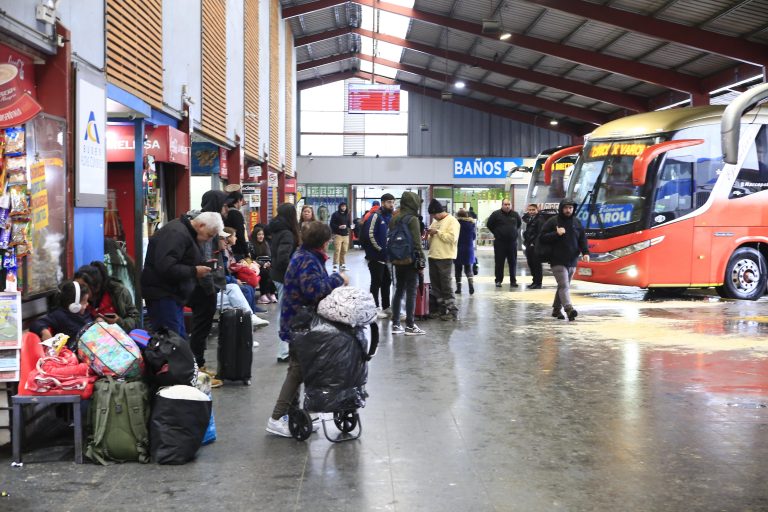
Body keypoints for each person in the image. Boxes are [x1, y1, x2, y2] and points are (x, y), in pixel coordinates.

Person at [265, 221, 348, 437]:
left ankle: (292, 414)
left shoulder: (305, 255)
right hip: (300, 323)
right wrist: (338, 279)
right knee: (298, 370)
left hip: (297, 321)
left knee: (297, 367)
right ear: (324, 242)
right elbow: (314, 291)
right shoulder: (308, 260)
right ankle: (276, 417)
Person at [142, 211, 222, 337]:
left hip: (172, 295)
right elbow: (165, 267)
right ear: (201, 225)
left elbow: (179, 260)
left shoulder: (186, 233)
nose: (209, 240)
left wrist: (201, 265)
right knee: (171, 341)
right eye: (209, 235)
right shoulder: (177, 233)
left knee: (177, 340)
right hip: (163, 294)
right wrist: (194, 271)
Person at [187, 191, 229, 377]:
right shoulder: (206, 226)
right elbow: (205, 260)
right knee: (201, 327)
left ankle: (197, 364)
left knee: (201, 327)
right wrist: (209, 286)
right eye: (224, 205)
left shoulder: (203, 222)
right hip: (203, 284)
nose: (226, 209)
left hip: (203, 282)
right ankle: (198, 366)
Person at [538, 199, 590, 321]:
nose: (568, 210)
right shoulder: (553, 221)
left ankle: (556, 309)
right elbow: (542, 238)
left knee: (562, 286)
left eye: (571, 208)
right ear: (561, 208)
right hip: (557, 260)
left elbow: (582, 239)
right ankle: (569, 309)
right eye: (566, 208)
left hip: (572, 260)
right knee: (564, 285)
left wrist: (586, 252)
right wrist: (556, 234)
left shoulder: (576, 222)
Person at [389, 191, 426, 336]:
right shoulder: (413, 219)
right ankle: (410, 325)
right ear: (413, 203)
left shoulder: (394, 218)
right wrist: (421, 262)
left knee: (399, 290)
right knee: (411, 291)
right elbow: (417, 244)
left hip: (397, 258)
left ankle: (396, 324)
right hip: (410, 260)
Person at [269, 202, 301, 363]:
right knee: (285, 314)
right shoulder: (287, 233)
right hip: (284, 277)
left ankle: (286, 349)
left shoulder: (276, 230)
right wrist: (294, 271)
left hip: (277, 275)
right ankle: (283, 351)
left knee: (283, 312)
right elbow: (283, 258)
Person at [74, 261, 140, 332]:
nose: (79, 290)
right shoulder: (75, 298)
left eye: (83, 286)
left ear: (96, 287)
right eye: (76, 286)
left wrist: (118, 322)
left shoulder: (119, 292)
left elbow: (135, 319)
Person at [362, 193, 395, 318]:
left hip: (386, 257)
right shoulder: (376, 216)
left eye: (393, 202)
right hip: (375, 256)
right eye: (388, 202)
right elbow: (369, 235)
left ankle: (386, 307)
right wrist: (379, 249)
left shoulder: (390, 217)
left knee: (387, 281)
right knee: (376, 282)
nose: (391, 205)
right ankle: (374, 307)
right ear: (383, 203)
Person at [426, 199, 460, 321]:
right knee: (435, 286)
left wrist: (438, 232)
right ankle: (441, 310)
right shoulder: (435, 222)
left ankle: (452, 311)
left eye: (435, 214)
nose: (434, 217)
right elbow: (432, 239)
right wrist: (429, 234)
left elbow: (452, 238)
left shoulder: (452, 222)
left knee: (446, 285)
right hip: (433, 256)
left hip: (445, 257)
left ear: (440, 211)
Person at [486, 199, 522, 288]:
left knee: (513, 262)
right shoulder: (496, 214)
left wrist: (512, 233)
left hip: (512, 243)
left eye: (509, 204)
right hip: (500, 243)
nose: (507, 206)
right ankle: (498, 280)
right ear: (502, 205)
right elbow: (489, 224)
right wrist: (497, 232)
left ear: (511, 205)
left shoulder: (515, 214)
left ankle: (513, 281)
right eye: (505, 204)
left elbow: (519, 224)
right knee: (499, 262)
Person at [250, 225, 278, 303]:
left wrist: (268, 263)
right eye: (259, 234)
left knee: (273, 271)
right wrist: (262, 264)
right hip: (256, 266)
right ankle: (263, 294)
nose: (261, 236)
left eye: (262, 234)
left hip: (266, 264)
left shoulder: (265, 244)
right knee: (264, 272)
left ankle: (271, 293)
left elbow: (269, 256)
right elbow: (251, 259)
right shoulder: (251, 244)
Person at [522, 204, 545, 289]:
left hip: (536, 246)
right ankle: (534, 281)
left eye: (533, 210)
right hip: (529, 244)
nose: (531, 212)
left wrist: (534, 243)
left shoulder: (540, 220)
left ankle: (538, 283)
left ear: (537, 210)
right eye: (530, 210)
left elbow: (540, 233)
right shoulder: (530, 219)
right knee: (531, 263)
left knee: (536, 264)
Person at [454, 208, 477, 295]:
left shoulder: (455, 224)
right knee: (468, 269)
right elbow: (474, 237)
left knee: (458, 269)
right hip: (468, 249)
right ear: (467, 215)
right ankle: (471, 286)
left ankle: (459, 288)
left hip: (458, 249)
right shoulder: (471, 224)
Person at [224, 191, 249, 260]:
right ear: (238, 200)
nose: (241, 204)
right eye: (241, 201)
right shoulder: (236, 214)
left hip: (229, 249)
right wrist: (247, 253)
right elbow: (241, 235)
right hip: (239, 250)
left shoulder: (226, 213)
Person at [329, 202, 352, 272]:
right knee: (337, 250)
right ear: (340, 207)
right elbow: (331, 224)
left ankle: (342, 265)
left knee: (344, 250)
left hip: (346, 235)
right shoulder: (335, 214)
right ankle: (335, 265)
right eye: (342, 206)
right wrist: (339, 227)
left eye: (345, 206)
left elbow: (348, 224)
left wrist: (351, 226)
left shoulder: (347, 215)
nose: (344, 208)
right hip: (337, 234)